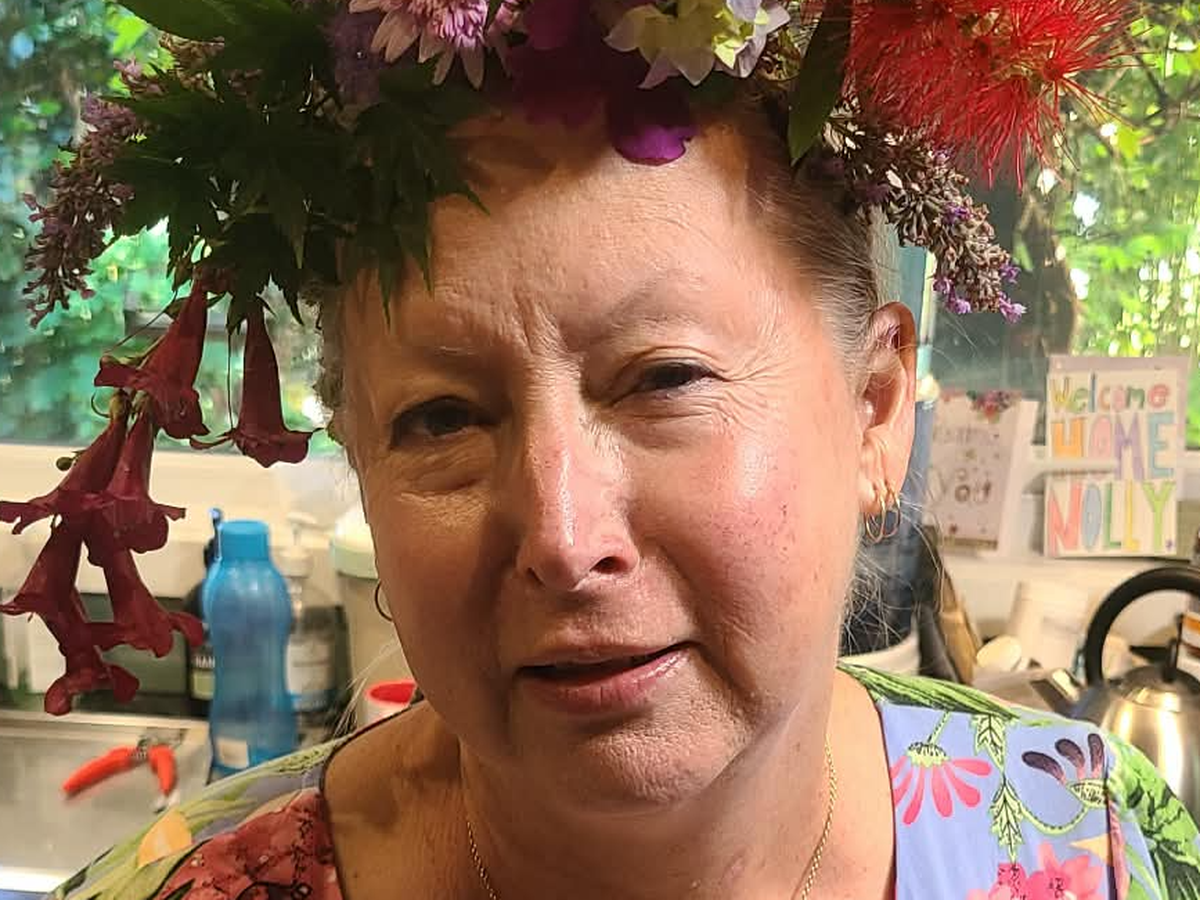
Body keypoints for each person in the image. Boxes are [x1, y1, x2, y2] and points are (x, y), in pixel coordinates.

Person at [6, 1, 1199, 899]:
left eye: (666, 379)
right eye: (441, 418)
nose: (565, 540)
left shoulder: (1089, 840)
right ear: (360, 455)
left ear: (876, 409)